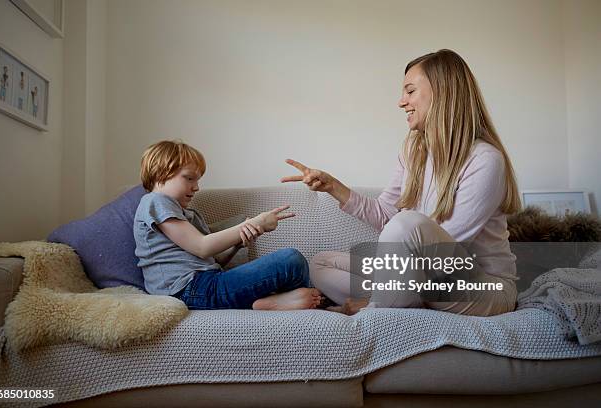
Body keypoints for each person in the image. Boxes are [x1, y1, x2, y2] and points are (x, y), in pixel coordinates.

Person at [281, 49, 521, 317]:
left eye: (410, 91)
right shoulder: (413, 152)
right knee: (321, 263)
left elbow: (445, 252)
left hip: (479, 287)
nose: (401, 102)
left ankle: (377, 311)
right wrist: (334, 187)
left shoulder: (485, 159)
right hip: (422, 275)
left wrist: (389, 278)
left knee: (408, 223)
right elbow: (386, 216)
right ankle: (396, 302)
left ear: (443, 92)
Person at [134, 140, 322, 310]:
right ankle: (288, 302)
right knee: (290, 259)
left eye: (198, 180)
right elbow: (202, 247)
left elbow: (213, 261)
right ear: (161, 174)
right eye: (189, 178)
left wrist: (236, 245)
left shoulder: (188, 214)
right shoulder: (155, 201)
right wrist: (258, 223)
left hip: (205, 283)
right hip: (187, 290)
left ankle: (276, 301)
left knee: (294, 263)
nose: (196, 187)